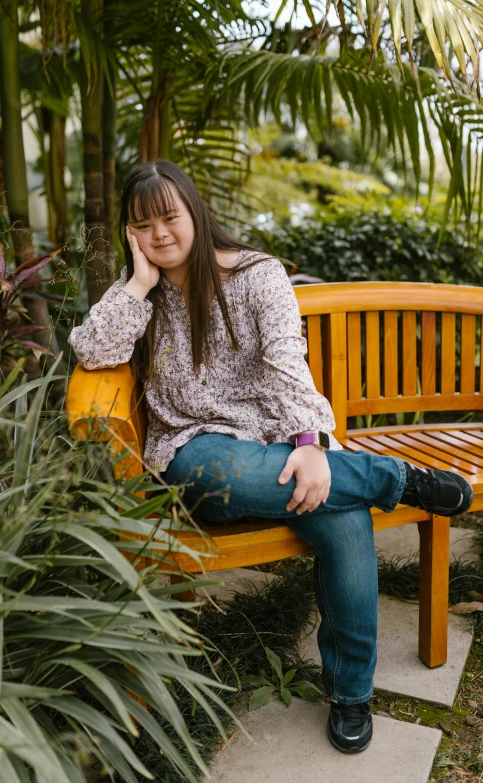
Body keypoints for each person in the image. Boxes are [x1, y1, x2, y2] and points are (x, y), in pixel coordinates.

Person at [68, 160, 473, 755]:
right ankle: (395, 478)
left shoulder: (255, 275)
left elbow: (288, 361)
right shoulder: (143, 294)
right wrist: (137, 283)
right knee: (224, 475)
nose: (159, 234)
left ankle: (351, 693)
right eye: (143, 224)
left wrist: (310, 446)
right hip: (196, 448)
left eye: (169, 217)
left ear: (195, 212)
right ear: (132, 234)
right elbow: (90, 347)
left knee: (342, 517)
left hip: (281, 439)